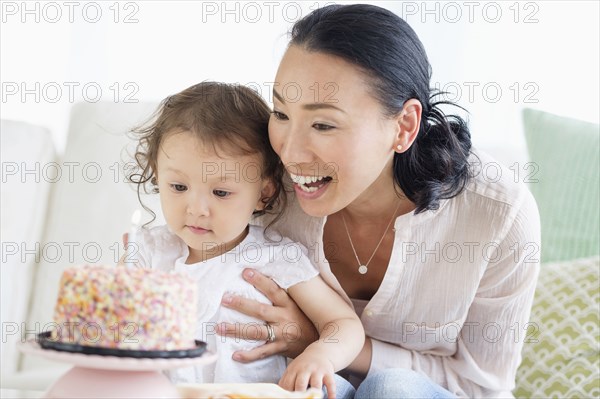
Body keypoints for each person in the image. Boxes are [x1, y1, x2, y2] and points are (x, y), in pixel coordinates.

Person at [214, 4, 541, 398]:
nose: (291, 152)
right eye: (281, 114)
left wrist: (322, 342)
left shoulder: (497, 214)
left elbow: (480, 386)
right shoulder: (265, 188)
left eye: (323, 124)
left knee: (392, 388)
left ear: (404, 126)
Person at [121, 81, 364, 396]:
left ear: (264, 193)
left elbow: (344, 324)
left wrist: (320, 355)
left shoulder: (274, 257)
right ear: (157, 173)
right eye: (178, 187)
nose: (196, 209)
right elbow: (116, 329)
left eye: (221, 192)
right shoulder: (149, 252)